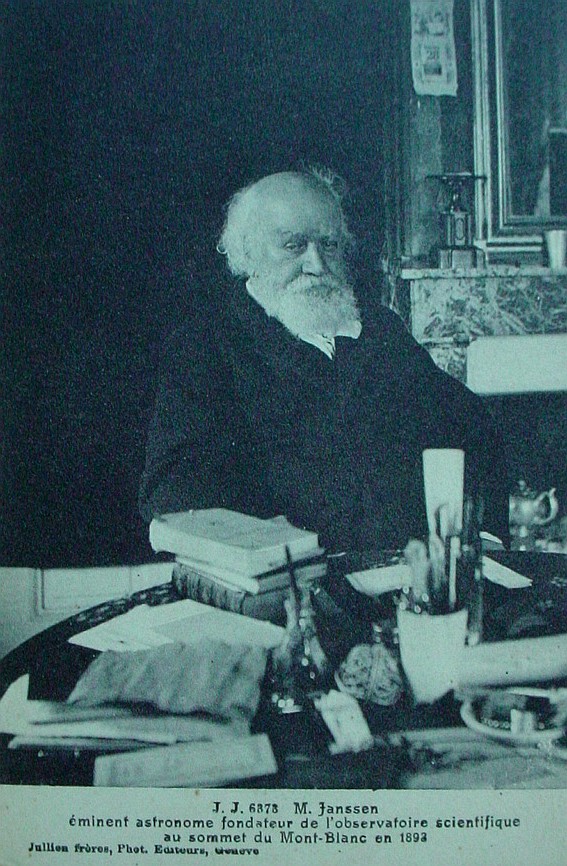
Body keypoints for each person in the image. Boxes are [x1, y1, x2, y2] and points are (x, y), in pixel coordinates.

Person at [139, 168, 510, 552]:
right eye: (293, 246)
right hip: (289, 579)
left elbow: (469, 425)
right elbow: (175, 494)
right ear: (247, 253)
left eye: (329, 245)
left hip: (403, 574)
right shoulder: (205, 348)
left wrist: (479, 535)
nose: (316, 264)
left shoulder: (380, 329)